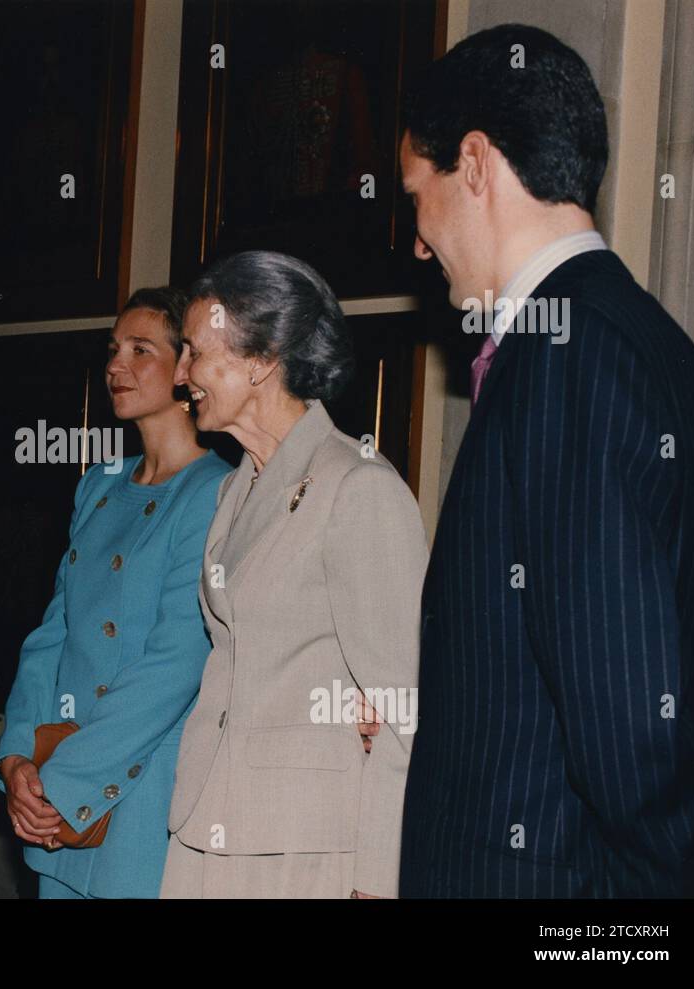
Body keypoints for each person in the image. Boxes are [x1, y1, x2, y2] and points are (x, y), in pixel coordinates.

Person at [398, 24, 694, 897]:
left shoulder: (569, 356)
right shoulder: (648, 344)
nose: (419, 244)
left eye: (415, 197)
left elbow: (627, 719)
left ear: (473, 164)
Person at [162, 250, 427, 899]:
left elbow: (402, 709)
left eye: (195, 352)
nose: (179, 374)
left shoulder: (359, 488)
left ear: (261, 359)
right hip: (211, 819)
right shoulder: (233, 492)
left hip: (303, 848)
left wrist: (376, 880)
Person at [0, 288, 230, 898]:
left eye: (140, 350)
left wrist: (63, 787)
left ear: (185, 369)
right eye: (113, 349)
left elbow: (176, 664)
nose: (115, 366)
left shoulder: (216, 493)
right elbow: (53, 635)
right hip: (56, 796)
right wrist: (17, 757)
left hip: (139, 798)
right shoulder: (98, 484)